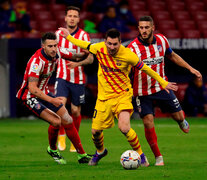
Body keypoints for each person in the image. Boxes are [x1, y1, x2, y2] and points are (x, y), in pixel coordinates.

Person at [59, 27, 178, 166]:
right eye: (109, 43)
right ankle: (100, 151)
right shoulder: (99, 48)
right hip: (104, 98)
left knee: (124, 128)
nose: (112, 47)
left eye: (115, 44)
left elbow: (145, 68)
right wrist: (68, 37)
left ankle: (141, 155)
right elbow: (84, 44)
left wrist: (163, 82)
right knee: (95, 132)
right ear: (105, 42)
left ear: (120, 42)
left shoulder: (128, 55)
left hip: (123, 95)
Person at [127, 16, 202, 166]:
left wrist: (190, 68)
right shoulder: (132, 48)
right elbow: (126, 69)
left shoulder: (162, 40)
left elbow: (172, 56)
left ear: (153, 28)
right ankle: (158, 157)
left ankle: (181, 121)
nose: (143, 30)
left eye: (146, 27)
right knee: (148, 122)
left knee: (179, 116)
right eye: (141, 28)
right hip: (142, 92)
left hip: (162, 86)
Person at [16, 32, 91, 165]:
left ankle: (82, 155)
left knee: (67, 119)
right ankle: (52, 149)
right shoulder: (36, 61)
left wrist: (85, 54)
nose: (53, 49)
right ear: (43, 46)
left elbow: (74, 57)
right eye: (50, 46)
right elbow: (32, 89)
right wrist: (52, 100)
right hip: (30, 97)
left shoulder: (57, 53)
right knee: (56, 122)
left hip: (43, 93)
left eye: (55, 45)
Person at [55, 6, 92, 152]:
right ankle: (62, 135)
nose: (72, 18)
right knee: (61, 107)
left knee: (75, 111)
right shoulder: (58, 34)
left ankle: (74, 140)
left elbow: (90, 58)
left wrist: (78, 62)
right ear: (65, 18)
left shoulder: (84, 36)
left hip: (78, 78)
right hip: (62, 76)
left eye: (75, 16)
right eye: (69, 16)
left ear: (78, 19)